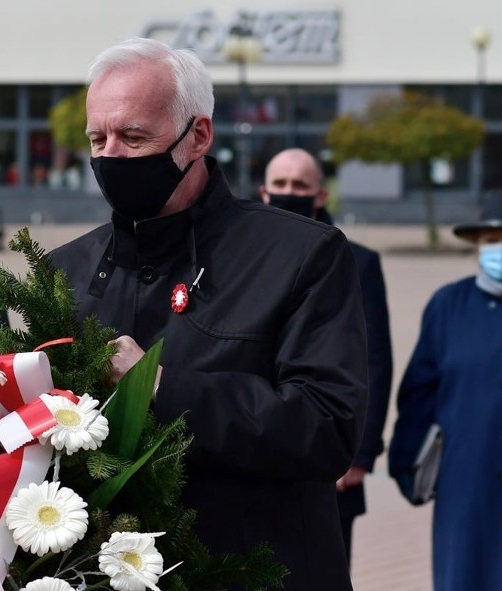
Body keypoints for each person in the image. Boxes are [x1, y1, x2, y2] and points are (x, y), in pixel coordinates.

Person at [50, 38, 368, 590]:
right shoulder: (64, 272)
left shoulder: (300, 255)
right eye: (97, 138)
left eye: (132, 136)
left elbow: (327, 428)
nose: (111, 156)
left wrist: (161, 389)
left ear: (197, 136)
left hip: (255, 570)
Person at [388, 192, 502, 591]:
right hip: (467, 486)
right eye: (490, 241)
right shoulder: (449, 305)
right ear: (477, 247)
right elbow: (419, 393)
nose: (501, 250)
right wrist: (409, 466)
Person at [259, 148, 393, 564]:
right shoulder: (241, 257)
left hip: (330, 459)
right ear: (263, 193)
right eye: (280, 185)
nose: (289, 192)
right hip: (255, 441)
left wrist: (358, 455)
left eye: (300, 185)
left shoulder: (359, 261)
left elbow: (375, 360)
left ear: (320, 195)